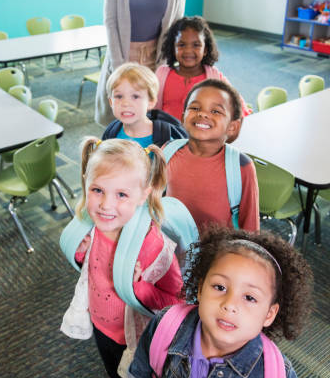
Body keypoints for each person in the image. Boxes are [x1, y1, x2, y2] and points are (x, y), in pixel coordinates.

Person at [113, 225, 330, 378]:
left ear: (269, 314)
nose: (229, 304)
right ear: (200, 290)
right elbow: (141, 374)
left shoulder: (275, 375)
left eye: (249, 297)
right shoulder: (167, 326)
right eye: (220, 287)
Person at [60, 138, 186, 378]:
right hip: (103, 326)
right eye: (97, 190)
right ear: (85, 184)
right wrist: (81, 254)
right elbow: (90, 267)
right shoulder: (91, 227)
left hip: (137, 335)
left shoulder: (150, 243)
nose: (106, 205)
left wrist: (141, 286)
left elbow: (177, 300)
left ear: (143, 194)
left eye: (121, 195)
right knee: (115, 376)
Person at [165, 78, 259, 232]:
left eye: (215, 111)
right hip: (169, 249)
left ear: (232, 127)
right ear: (183, 117)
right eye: (195, 108)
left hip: (214, 253)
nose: (202, 113)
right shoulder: (168, 151)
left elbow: (250, 229)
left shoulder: (242, 167)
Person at [155, 16, 252, 121]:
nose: (188, 51)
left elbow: (237, 104)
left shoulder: (214, 77)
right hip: (167, 135)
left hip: (202, 135)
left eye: (196, 45)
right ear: (173, 48)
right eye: (181, 45)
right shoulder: (162, 75)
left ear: (205, 50)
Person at [102, 62, 187, 148]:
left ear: (151, 102)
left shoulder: (167, 138)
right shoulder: (111, 133)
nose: (126, 103)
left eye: (135, 96)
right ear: (111, 102)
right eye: (119, 96)